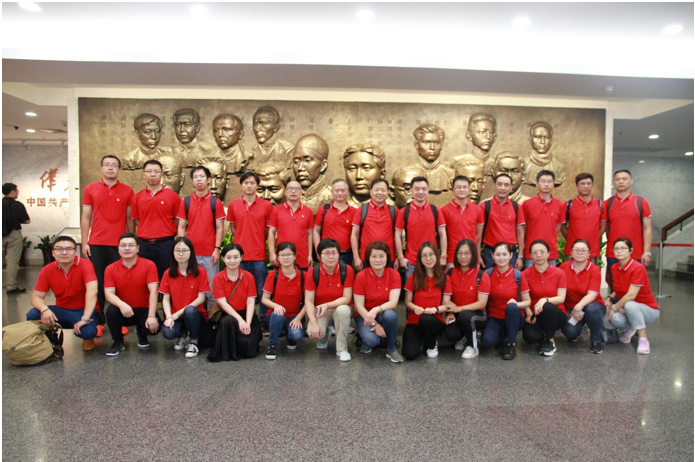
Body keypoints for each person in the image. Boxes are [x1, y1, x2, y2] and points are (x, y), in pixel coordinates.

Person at [81, 155, 134, 330]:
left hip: (119, 246)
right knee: (97, 283)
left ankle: (121, 321)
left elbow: (129, 219)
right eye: (107, 165)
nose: (110, 168)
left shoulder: (127, 191)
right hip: (96, 243)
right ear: (101, 168)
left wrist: (131, 243)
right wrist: (84, 242)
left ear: (119, 169)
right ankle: (99, 320)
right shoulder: (90, 189)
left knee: (120, 284)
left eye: (114, 165)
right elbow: (86, 217)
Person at [27, 236, 99, 351]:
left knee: (87, 332)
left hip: (83, 310)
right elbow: (36, 297)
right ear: (53, 253)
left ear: (75, 251)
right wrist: (44, 309)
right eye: (59, 249)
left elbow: (92, 291)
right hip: (61, 311)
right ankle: (53, 342)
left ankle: (87, 337)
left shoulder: (85, 264)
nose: (64, 252)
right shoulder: (47, 270)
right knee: (33, 314)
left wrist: (85, 319)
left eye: (69, 249)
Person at [226, 171, 274, 330]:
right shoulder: (233, 205)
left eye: (252, 183)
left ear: (257, 185)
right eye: (246, 183)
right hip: (239, 257)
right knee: (241, 291)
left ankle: (263, 321)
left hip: (259, 256)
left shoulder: (266, 205)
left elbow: (268, 230)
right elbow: (233, 227)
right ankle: (245, 320)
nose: (249, 186)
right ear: (241, 185)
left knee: (262, 291)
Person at [103, 233, 161, 356]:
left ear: (138, 248)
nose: (127, 248)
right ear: (118, 249)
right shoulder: (110, 268)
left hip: (143, 309)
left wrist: (151, 316)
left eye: (131, 245)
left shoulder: (149, 265)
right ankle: (118, 341)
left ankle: (141, 333)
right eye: (123, 245)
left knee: (154, 328)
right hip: (123, 310)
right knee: (111, 311)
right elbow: (108, 294)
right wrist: (121, 304)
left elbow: (153, 291)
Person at [176, 166, 226, 305]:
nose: (199, 179)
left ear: (208, 179)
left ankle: (212, 315)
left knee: (211, 289)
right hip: (190, 253)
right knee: (191, 286)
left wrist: (217, 249)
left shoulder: (215, 202)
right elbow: (181, 226)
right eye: (195, 177)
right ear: (192, 181)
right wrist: (181, 249)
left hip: (210, 253)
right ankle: (192, 314)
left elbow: (220, 228)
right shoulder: (185, 202)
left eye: (202, 176)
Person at [160, 237, 215, 358]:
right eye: (177, 250)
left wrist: (177, 313)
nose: (181, 254)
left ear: (191, 252)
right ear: (173, 252)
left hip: (195, 314)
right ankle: (183, 334)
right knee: (168, 332)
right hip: (178, 316)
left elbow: (201, 298)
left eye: (184, 250)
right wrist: (169, 317)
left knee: (189, 310)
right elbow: (165, 299)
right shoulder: (168, 273)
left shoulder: (200, 272)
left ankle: (193, 342)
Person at [606, 237, 659, 354]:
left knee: (630, 305)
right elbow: (620, 288)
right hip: (629, 308)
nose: (619, 251)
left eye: (623, 248)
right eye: (616, 248)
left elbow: (630, 295)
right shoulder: (614, 268)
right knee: (616, 319)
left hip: (648, 309)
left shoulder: (638, 268)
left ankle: (643, 339)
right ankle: (629, 329)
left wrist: (614, 308)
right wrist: (609, 298)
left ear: (631, 251)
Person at [208, 243, 262, 361]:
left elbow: (250, 302)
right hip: (228, 315)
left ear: (241, 257)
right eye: (228, 257)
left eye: (236, 257)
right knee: (228, 321)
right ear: (223, 258)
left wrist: (247, 323)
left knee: (249, 349)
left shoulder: (248, 276)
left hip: (246, 314)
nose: (232, 261)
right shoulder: (218, 278)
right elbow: (223, 303)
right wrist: (240, 320)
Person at [304, 238, 355, 361]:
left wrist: (327, 305)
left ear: (338, 254)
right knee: (313, 332)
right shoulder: (313, 272)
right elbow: (309, 301)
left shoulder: (346, 270)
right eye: (326, 253)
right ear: (319, 256)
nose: (331, 256)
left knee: (342, 310)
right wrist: (314, 323)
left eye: (334, 252)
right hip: (322, 311)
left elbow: (347, 298)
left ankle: (342, 348)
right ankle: (324, 335)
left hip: (342, 307)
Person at [352, 240, 403, 363]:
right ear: (368, 258)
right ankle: (366, 337)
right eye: (374, 256)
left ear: (387, 258)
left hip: (383, 313)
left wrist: (376, 309)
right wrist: (375, 324)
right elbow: (358, 305)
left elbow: (393, 303)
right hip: (364, 315)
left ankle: (391, 348)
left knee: (390, 315)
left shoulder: (394, 275)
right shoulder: (361, 276)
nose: (378, 260)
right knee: (371, 341)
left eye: (381, 256)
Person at [130, 159, 181, 279]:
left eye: (156, 171)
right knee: (144, 277)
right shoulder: (137, 197)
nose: (152, 174)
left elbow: (177, 220)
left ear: (162, 174)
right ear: (144, 174)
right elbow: (136, 220)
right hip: (144, 244)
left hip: (166, 244)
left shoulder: (173, 196)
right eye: (149, 171)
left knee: (166, 276)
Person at [480, 242, 531, 360]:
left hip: (514, 316)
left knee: (511, 307)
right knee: (487, 342)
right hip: (495, 316)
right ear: (492, 256)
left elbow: (527, 301)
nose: (501, 258)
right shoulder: (488, 274)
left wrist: (516, 304)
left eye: (504, 254)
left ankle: (511, 345)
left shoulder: (518, 275)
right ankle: (503, 336)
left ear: (511, 255)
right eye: (498, 255)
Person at [402, 242, 452, 360]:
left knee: (426, 319)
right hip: (415, 321)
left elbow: (446, 305)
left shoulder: (445, 278)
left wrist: (435, 309)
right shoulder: (414, 276)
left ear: (437, 256)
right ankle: (421, 339)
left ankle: (432, 342)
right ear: (420, 259)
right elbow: (407, 302)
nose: (428, 259)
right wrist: (415, 308)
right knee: (409, 354)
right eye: (424, 256)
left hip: (433, 321)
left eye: (431, 254)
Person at [442, 239, 490, 359]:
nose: (463, 257)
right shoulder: (449, 272)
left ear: (473, 255)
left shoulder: (481, 275)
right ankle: (463, 336)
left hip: (477, 315)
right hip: (456, 313)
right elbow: (447, 297)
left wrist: (459, 309)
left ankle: (473, 346)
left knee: (465, 316)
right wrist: (450, 312)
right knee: (451, 334)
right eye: (460, 253)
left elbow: (482, 303)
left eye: (467, 253)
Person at [605, 170, 653, 285]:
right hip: (613, 254)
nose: (621, 182)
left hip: (635, 254)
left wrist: (647, 252)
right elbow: (607, 228)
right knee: (615, 286)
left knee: (634, 287)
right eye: (618, 179)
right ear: (614, 182)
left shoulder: (641, 202)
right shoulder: (607, 203)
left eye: (625, 179)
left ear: (631, 181)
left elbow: (647, 228)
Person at [520, 240, 568, 357]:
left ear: (548, 253)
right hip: (535, 315)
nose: (539, 255)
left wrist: (544, 300)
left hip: (556, 314)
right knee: (530, 337)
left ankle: (550, 340)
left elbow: (561, 298)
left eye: (542, 252)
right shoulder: (525, 274)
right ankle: (544, 334)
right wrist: (528, 311)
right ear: (530, 255)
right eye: (535, 252)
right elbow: (524, 297)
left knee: (547, 306)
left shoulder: (559, 273)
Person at [395, 176, 447, 281]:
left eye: (423, 189)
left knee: (433, 289)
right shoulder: (404, 212)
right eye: (417, 189)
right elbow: (397, 235)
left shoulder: (435, 210)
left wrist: (443, 256)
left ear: (428, 190)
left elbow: (442, 234)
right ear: (411, 191)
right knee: (411, 290)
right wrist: (401, 258)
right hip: (412, 263)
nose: (420, 192)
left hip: (432, 261)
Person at [559, 239, 606, 354]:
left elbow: (592, 294)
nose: (580, 252)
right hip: (570, 306)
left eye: (583, 250)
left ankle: (596, 340)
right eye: (576, 250)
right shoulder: (563, 267)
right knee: (570, 332)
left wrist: (578, 307)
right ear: (571, 252)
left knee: (591, 309)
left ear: (589, 253)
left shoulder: (594, 270)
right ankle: (583, 322)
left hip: (592, 305)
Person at [261, 242, 306, 360]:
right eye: (282, 255)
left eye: (289, 254)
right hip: (276, 314)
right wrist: (276, 306)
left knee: (296, 336)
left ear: (295, 256)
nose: (286, 258)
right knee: (278, 315)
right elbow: (264, 299)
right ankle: (272, 345)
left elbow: (309, 301)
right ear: (278, 257)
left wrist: (299, 318)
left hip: (295, 315)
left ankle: (289, 335)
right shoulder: (273, 275)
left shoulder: (303, 276)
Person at [480, 174, 525, 270]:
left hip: (510, 253)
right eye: (499, 184)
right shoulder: (485, 206)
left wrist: (520, 256)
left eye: (506, 185)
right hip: (490, 253)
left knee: (510, 278)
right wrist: (477, 254)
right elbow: (478, 232)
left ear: (511, 187)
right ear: (495, 186)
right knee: (488, 278)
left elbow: (520, 232)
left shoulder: (516, 207)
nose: (503, 188)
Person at [350, 179, 398, 271]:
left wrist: (398, 257)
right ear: (371, 191)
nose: (379, 193)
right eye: (376, 190)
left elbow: (398, 236)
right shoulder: (362, 210)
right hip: (366, 258)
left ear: (388, 192)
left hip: (388, 258)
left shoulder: (393, 211)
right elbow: (354, 235)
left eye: (383, 190)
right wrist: (356, 257)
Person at [521, 170, 565, 268]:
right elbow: (522, 228)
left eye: (549, 181)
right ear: (537, 184)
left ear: (553, 184)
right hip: (531, 252)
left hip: (551, 252)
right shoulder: (527, 204)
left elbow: (558, 226)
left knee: (551, 277)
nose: (546, 184)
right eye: (543, 181)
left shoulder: (559, 205)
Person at [561, 173, 607, 264]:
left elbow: (603, 227)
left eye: (588, 183)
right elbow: (562, 227)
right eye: (582, 183)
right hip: (572, 251)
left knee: (592, 273)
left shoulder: (600, 205)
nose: (586, 186)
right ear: (576, 186)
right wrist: (571, 238)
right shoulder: (569, 205)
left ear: (592, 185)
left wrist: (594, 238)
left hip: (592, 251)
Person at [268, 180, 314, 270]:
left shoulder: (308, 211)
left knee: (302, 278)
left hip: (302, 256)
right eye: (290, 189)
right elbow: (271, 232)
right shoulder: (276, 210)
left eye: (296, 189)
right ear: (285, 192)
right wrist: (272, 253)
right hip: (283, 256)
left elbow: (309, 234)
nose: (293, 191)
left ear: (301, 192)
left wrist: (310, 254)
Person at [440, 176, 484, 267]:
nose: (462, 190)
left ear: (469, 189)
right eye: (458, 187)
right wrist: (444, 255)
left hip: (472, 256)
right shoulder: (444, 210)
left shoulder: (477, 209)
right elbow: (442, 235)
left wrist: (478, 255)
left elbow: (478, 236)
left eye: (465, 187)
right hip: (452, 256)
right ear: (453, 189)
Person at [313, 179, 357, 266]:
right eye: (337, 191)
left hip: (346, 255)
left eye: (343, 191)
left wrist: (355, 256)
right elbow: (316, 231)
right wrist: (318, 251)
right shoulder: (324, 209)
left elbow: (356, 235)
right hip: (327, 254)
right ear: (332, 192)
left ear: (347, 192)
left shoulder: (354, 212)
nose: (340, 193)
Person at [292, 134, 333, 213]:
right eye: (296, 161)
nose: (300, 168)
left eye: (307, 160)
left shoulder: (333, 198)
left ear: (323, 165)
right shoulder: (288, 196)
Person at [245, 106, 293, 172]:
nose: (257, 129)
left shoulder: (288, 151)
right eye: (255, 124)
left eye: (263, 123)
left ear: (276, 127)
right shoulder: (249, 154)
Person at [2, 182, 30, 294]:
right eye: (17, 191)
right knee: (12, 262)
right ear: (12, 191)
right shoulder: (18, 205)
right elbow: (27, 220)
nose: (18, 193)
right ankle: (11, 287)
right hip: (13, 234)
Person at [523, 121, 567, 187]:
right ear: (530, 140)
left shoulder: (559, 167)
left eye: (546, 137)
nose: (542, 142)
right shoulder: (523, 166)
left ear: (551, 141)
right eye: (538, 137)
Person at [413, 124, 454, 193]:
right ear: (417, 145)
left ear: (442, 145)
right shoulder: (407, 174)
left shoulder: (451, 174)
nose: (432, 147)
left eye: (436, 143)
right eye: (426, 142)